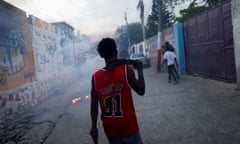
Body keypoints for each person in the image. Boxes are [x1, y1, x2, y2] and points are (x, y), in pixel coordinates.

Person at [90, 38, 145, 144]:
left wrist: (93, 127)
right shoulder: (126, 70)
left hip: (111, 128)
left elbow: (93, 104)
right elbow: (141, 91)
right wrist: (139, 70)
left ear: (101, 55)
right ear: (116, 52)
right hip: (129, 126)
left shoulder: (96, 77)